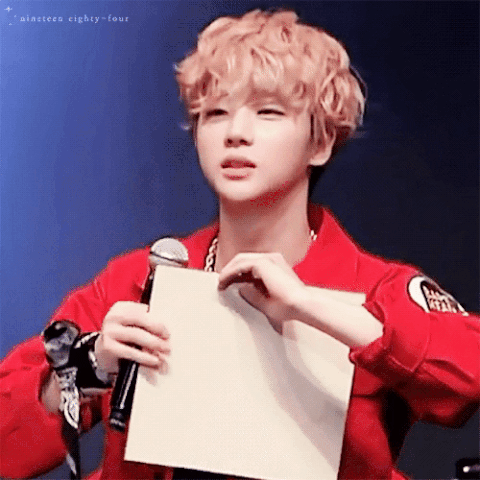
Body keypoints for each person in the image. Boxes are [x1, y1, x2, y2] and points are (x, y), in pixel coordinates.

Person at [0, 9, 478, 480]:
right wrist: (88, 369)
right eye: (215, 114)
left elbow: (468, 377)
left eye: (268, 112)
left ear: (320, 144)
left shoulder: (376, 290)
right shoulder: (136, 281)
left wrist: (309, 305)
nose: (235, 134)